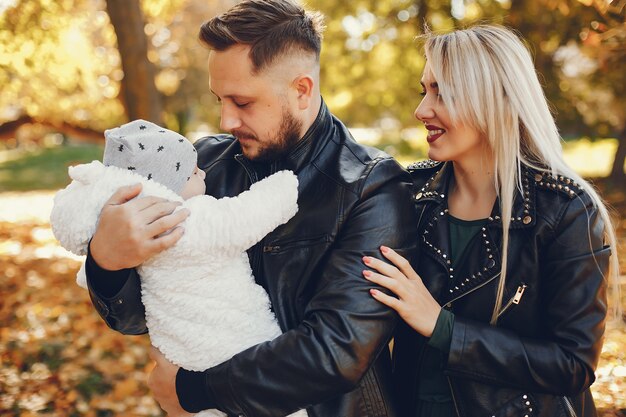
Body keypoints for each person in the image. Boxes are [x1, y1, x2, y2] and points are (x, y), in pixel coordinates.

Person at [83, 1, 418, 416]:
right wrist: (107, 262)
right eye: (219, 99)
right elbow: (146, 313)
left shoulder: (373, 187)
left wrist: (194, 390)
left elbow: (336, 350)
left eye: (242, 102)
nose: (225, 120)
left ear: (301, 90)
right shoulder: (200, 168)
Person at [362, 24, 619, 417]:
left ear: (494, 101)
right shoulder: (407, 196)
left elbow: (572, 365)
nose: (421, 110)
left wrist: (442, 327)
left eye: (442, 93)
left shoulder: (566, 212)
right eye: (423, 90)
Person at [50, 119, 306, 417]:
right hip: (233, 349)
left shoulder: (364, 180)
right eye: (195, 172)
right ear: (171, 184)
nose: (204, 171)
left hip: (191, 363)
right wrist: (284, 188)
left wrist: (186, 391)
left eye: (243, 101)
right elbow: (242, 218)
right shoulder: (191, 218)